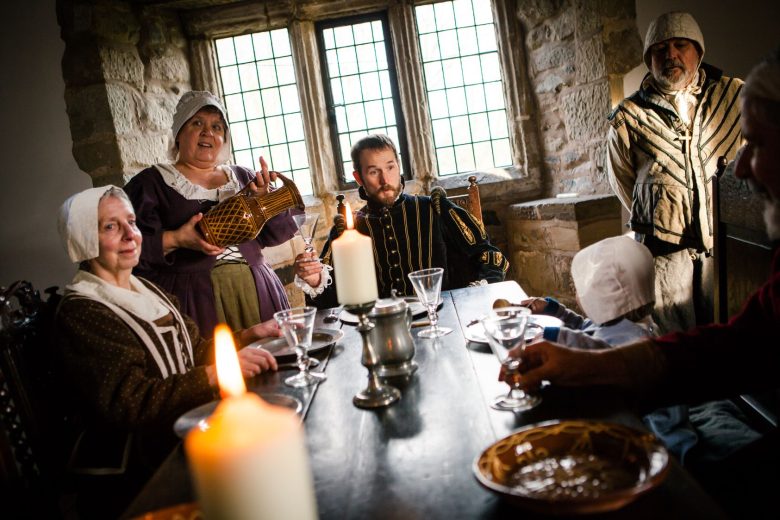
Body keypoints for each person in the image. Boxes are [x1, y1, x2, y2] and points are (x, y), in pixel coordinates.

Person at [514, 49, 780, 518]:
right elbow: (745, 345)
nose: (737, 168)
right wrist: (584, 365)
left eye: (754, 145)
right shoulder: (632, 113)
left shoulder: (723, 95)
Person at [55, 186, 280, 517]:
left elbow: (196, 349)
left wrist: (250, 335)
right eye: (110, 226)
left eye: (131, 222)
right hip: (140, 467)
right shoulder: (84, 310)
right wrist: (214, 374)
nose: (131, 235)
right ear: (82, 239)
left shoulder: (145, 288)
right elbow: (130, 401)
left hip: (183, 431)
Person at [520, 236, 758, 463]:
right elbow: (585, 328)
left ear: (601, 296)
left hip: (660, 429)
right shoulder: (621, 323)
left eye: (580, 289)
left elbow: (594, 349)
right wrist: (555, 310)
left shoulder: (633, 339)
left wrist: (555, 335)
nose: (576, 294)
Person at [607, 12, 743, 334]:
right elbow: (622, 180)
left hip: (723, 244)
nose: (671, 55)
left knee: (726, 330)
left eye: (680, 45)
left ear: (698, 50)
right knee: (673, 335)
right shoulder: (629, 115)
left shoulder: (733, 97)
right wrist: (663, 210)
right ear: (649, 59)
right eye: (660, 49)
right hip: (663, 251)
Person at [124, 90, 300, 337]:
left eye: (217, 127)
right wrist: (176, 239)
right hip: (193, 302)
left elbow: (276, 235)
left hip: (258, 293)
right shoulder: (151, 184)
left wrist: (264, 200)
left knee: (274, 363)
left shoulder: (243, 177)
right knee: (213, 369)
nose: (209, 132)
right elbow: (126, 250)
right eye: (197, 123)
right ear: (178, 134)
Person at [294, 134, 508, 308]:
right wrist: (315, 281)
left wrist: (475, 291)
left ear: (399, 166)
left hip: (445, 320)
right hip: (382, 333)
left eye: (390, 167)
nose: (385, 180)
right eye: (373, 172)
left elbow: (490, 256)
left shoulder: (434, 208)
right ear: (358, 178)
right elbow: (333, 301)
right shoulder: (347, 231)